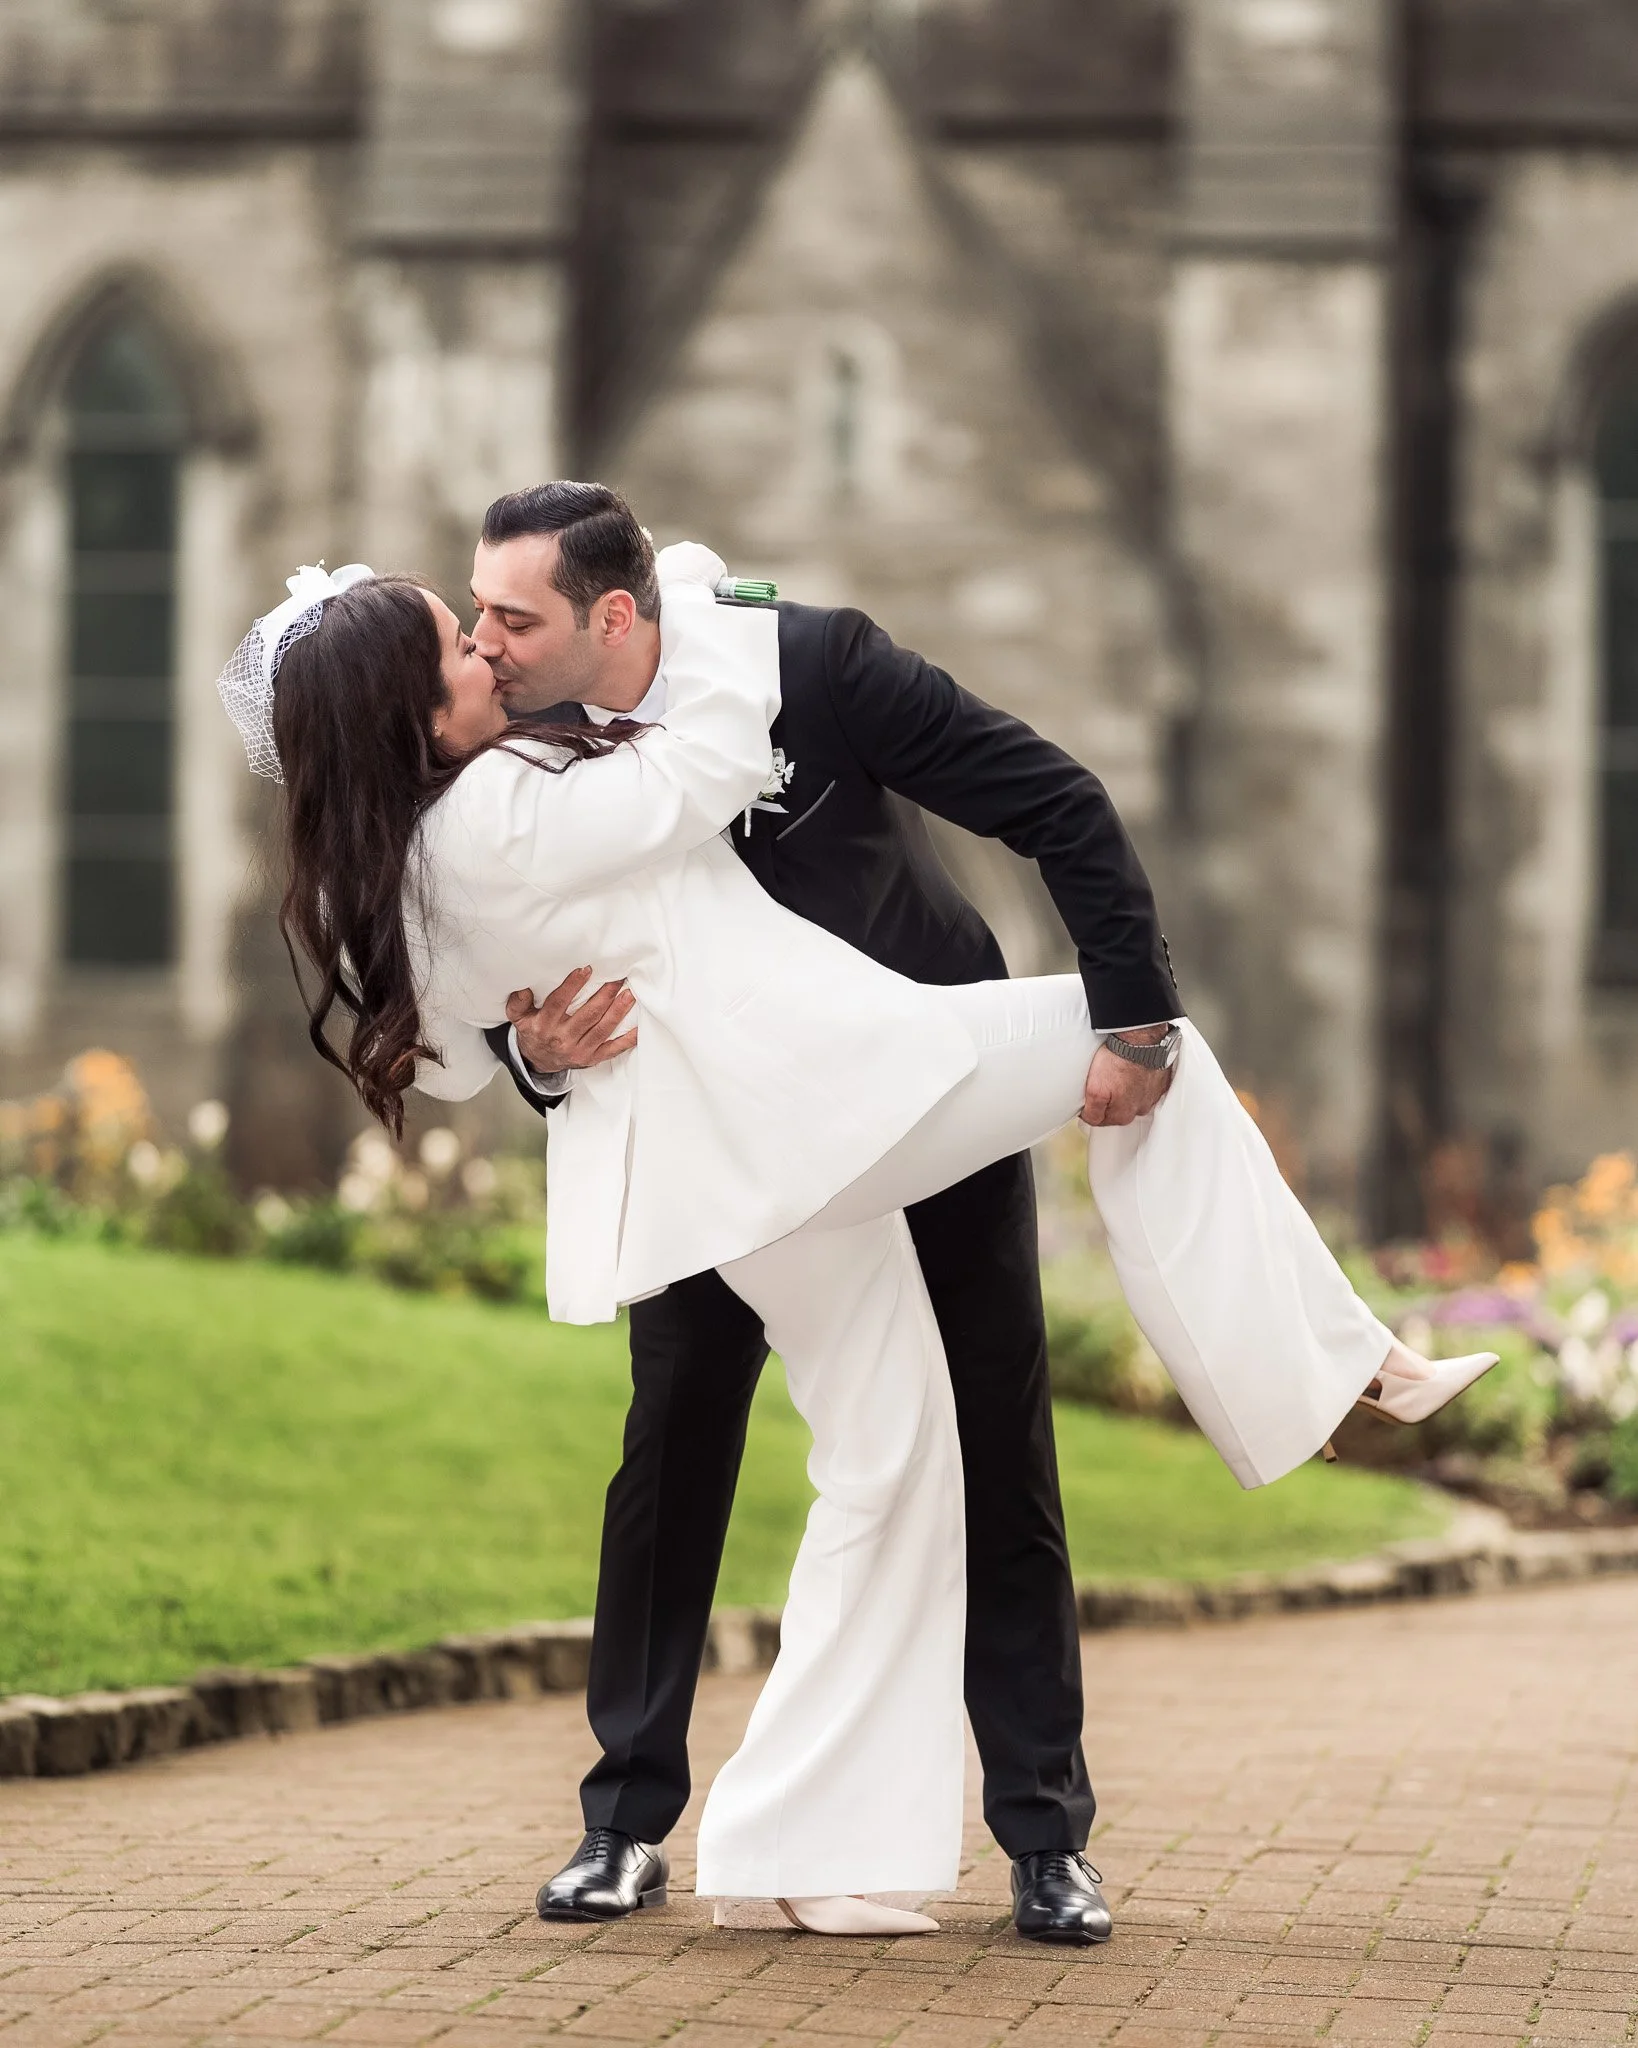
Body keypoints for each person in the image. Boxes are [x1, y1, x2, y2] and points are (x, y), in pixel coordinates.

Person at [218, 543, 1497, 1940]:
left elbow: (452, 1054)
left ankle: (803, 1845)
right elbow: (703, 761)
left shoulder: (421, 847)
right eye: (458, 641)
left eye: (493, 623)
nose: (487, 646)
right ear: (411, 710)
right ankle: (1325, 1372)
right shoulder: (507, 807)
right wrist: (701, 597)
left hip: (774, 1132)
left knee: (912, 1455)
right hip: (818, 1103)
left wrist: (515, 1039)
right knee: (1143, 1040)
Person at [465, 482, 1179, 1947]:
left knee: (994, 1429)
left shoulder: (815, 667)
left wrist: (1133, 1018)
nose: (486, 642)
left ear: (613, 612)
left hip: (921, 1090)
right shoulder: (514, 739)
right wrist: (530, 1058)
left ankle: (1045, 1834)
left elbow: (1056, 800)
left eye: (512, 614)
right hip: (702, 1127)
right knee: (673, 1441)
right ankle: (621, 1823)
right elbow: (480, 953)